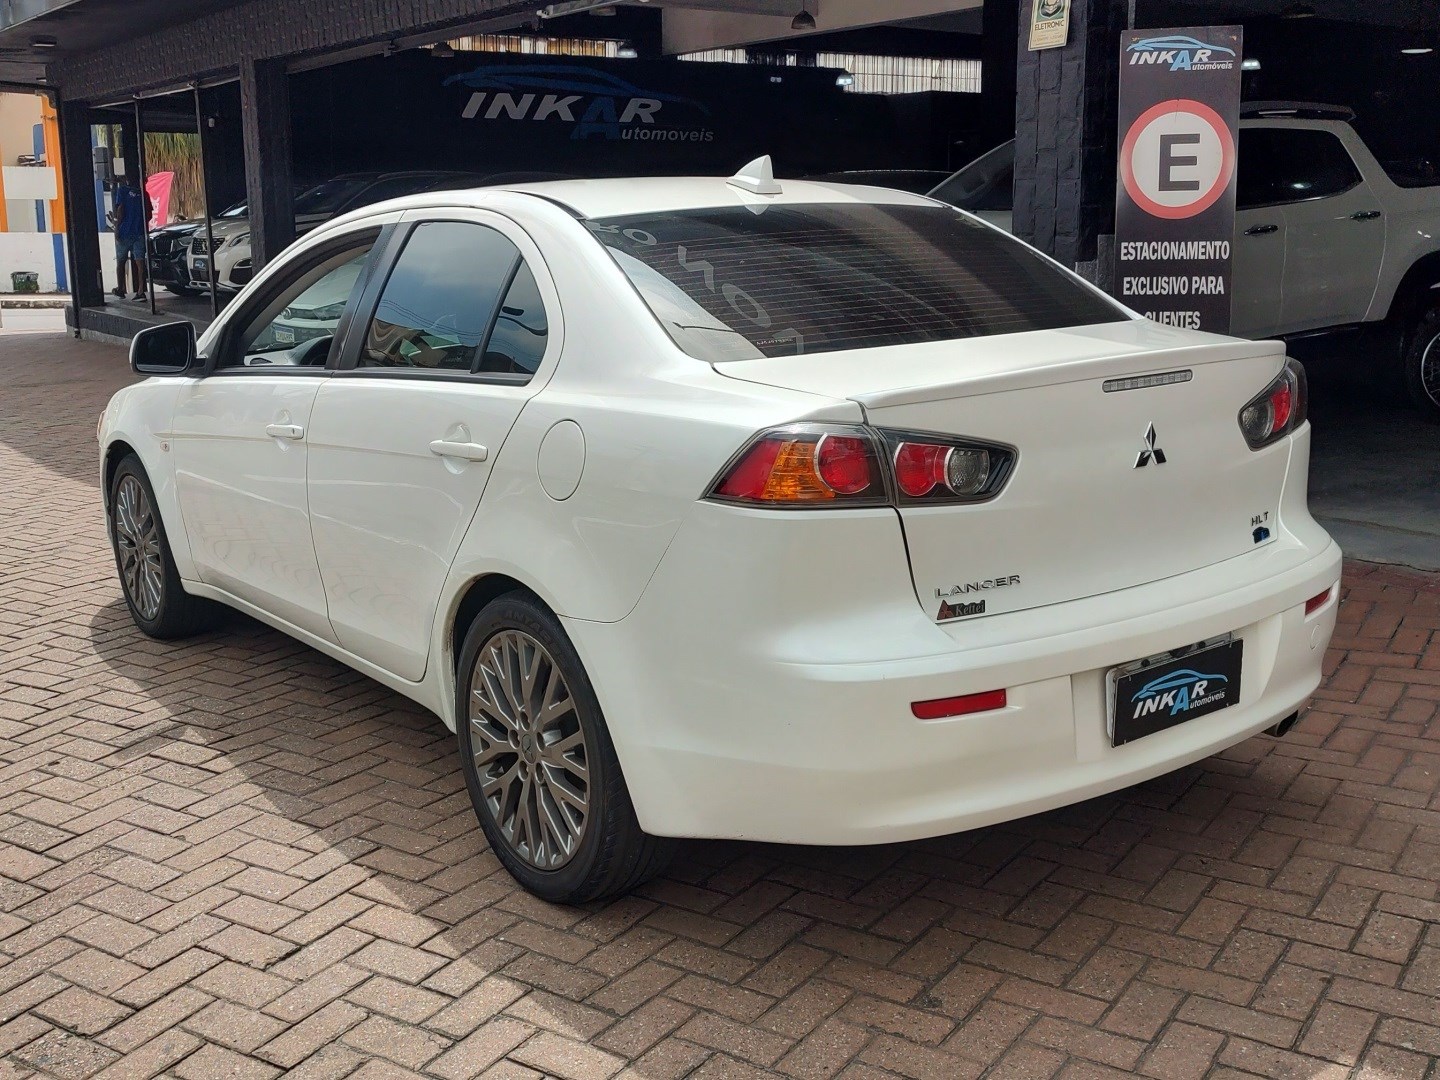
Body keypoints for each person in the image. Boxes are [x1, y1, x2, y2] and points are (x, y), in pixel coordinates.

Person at [111, 176, 150, 302]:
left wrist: (117, 227)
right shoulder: (144, 194)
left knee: (121, 261)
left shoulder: (122, 191)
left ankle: (120, 289)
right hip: (139, 232)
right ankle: (141, 291)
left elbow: (120, 209)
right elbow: (149, 214)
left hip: (125, 232)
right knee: (140, 262)